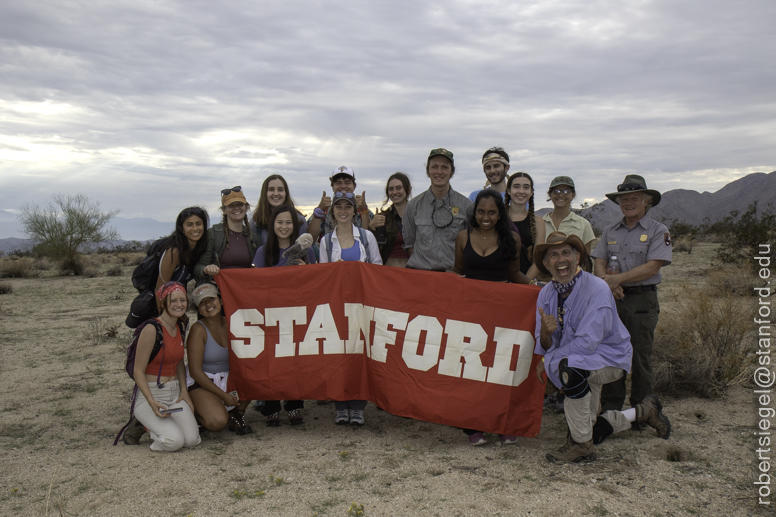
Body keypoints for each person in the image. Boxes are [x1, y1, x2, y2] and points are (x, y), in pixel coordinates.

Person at [533, 232, 671, 462]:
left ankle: (581, 446)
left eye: (566, 253)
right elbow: (547, 344)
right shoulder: (546, 294)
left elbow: (587, 343)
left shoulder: (597, 288)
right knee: (593, 430)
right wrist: (546, 335)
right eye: (553, 255)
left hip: (608, 358)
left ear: (577, 257)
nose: (561, 259)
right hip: (578, 360)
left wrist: (549, 361)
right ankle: (643, 412)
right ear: (547, 264)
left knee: (570, 371)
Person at [448, 189, 528, 445]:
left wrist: (536, 288)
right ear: (474, 212)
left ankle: (503, 424)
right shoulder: (463, 237)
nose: (486, 217)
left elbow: (514, 274)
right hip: (470, 312)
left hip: (502, 313)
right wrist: (444, 279)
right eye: (481, 212)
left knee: (500, 368)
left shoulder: (512, 239)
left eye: (492, 212)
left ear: (500, 214)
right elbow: (459, 269)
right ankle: (473, 425)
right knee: (472, 366)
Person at [591, 175, 672, 415]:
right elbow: (599, 261)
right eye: (624, 199)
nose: (628, 203)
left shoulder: (658, 231)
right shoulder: (610, 231)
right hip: (612, 299)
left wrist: (617, 279)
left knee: (640, 357)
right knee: (612, 352)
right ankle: (611, 410)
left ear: (646, 201)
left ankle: (642, 411)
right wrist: (608, 283)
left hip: (642, 301)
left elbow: (653, 266)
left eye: (634, 198)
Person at [319, 191, 382, 425]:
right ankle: (340, 405)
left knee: (359, 355)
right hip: (337, 306)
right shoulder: (326, 241)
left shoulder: (367, 237)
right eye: (339, 207)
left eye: (347, 207)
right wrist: (334, 271)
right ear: (332, 211)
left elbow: (377, 269)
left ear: (354, 211)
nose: (343, 211)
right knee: (339, 355)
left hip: (362, 305)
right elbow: (322, 276)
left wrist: (357, 270)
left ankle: (358, 407)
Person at [252, 204, 317, 426]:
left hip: (296, 312)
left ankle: (294, 404)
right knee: (271, 360)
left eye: (288, 222)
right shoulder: (263, 252)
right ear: (272, 225)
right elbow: (256, 284)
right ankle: (271, 406)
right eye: (280, 222)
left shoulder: (307, 250)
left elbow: (315, 282)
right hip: (270, 314)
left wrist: (305, 270)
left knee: (294, 359)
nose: (284, 226)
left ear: (295, 226)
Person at [130, 281, 201, 451]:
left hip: (174, 392)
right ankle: (146, 426)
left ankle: (163, 426)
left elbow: (179, 362)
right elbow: (138, 371)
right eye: (173, 301)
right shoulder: (151, 329)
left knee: (192, 440)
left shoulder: (180, 325)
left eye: (182, 300)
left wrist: (184, 391)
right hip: (152, 393)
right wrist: (151, 401)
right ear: (163, 303)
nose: (179, 305)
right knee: (174, 442)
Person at [186, 283, 252, 435]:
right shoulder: (198, 330)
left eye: (211, 299)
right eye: (202, 303)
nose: (208, 305)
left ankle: (237, 414)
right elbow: (195, 372)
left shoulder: (232, 321)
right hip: (203, 382)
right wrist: (223, 396)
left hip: (228, 379)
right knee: (217, 422)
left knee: (255, 376)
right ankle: (195, 415)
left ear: (221, 300)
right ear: (198, 310)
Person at [403, 148, 472, 271]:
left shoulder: (467, 206)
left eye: (444, 167)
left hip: (453, 275)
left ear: (452, 172)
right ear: (427, 171)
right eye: (434, 167)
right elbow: (410, 245)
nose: (439, 172)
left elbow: (471, 245)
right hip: (421, 274)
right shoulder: (413, 206)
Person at [194, 187, 261, 284]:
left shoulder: (253, 237)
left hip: (244, 286)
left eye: (240, 204)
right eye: (231, 205)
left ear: (246, 207)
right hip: (217, 285)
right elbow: (198, 267)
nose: (236, 208)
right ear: (224, 210)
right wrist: (207, 269)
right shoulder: (213, 234)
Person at [308, 166, 373, 243]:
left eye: (347, 182)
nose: (343, 186)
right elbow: (310, 240)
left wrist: (364, 211)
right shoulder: (325, 210)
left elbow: (369, 240)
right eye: (338, 183)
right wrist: (319, 211)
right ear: (332, 187)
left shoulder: (363, 210)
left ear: (354, 186)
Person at [155, 207, 210, 295]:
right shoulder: (174, 252)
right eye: (189, 225)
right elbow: (160, 289)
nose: (195, 228)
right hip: (167, 301)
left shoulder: (200, 249)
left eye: (198, 224)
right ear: (181, 229)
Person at [542, 176, 596, 256]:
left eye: (566, 191)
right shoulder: (540, 224)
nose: (561, 195)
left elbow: (586, 258)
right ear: (550, 194)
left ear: (573, 195)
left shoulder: (583, 224)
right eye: (556, 191)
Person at [505, 172, 545, 278]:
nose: (521, 191)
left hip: (526, 280)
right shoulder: (497, 218)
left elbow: (538, 260)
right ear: (509, 191)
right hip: (498, 280)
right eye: (516, 186)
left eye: (526, 187)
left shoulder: (538, 222)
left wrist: (525, 282)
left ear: (531, 192)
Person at [369, 172, 412, 267]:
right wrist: (371, 227)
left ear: (409, 189)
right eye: (391, 189)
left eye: (399, 188)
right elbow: (370, 246)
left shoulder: (418, 216)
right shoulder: (383, 217)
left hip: (414, 271)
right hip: (389, 271)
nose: (395, 192)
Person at [250, 174, 308, 243]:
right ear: (265, 193)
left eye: (280, 190)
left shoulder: (299, 220)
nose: (276, 193)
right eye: (271, 189)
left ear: (286, 193)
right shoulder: (256, 222)